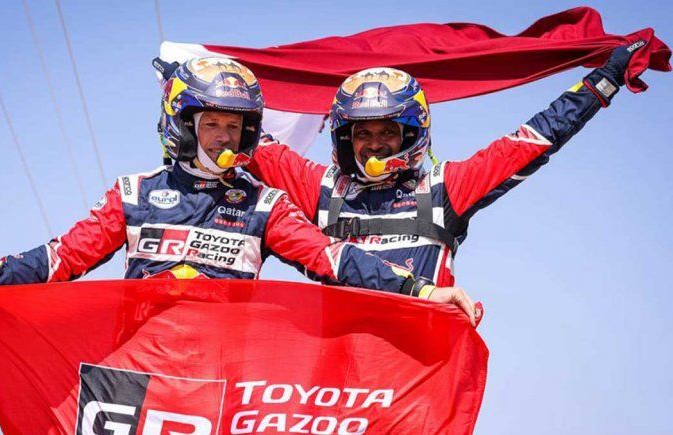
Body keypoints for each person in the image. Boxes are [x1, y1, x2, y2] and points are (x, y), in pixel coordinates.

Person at [0, 57, 480, 325]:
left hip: (221, 378)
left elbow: (333, 259)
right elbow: (59, 260)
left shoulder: (265, 205)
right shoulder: (133, 194)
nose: (224, 137)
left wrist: (422, 291)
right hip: (132, 372)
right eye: (211, 123)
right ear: (183, 125)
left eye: (235, 126)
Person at [158, 43, 644, 289]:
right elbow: (240, 135)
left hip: (419, 370)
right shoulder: (321, 187)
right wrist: (184, 85)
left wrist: (603, 81)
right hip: (335, 378)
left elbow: (534, 138)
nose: (374, 145)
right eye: (362, 133)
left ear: (412, 134)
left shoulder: (446, 187)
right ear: (344, 138)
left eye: (387, 132)